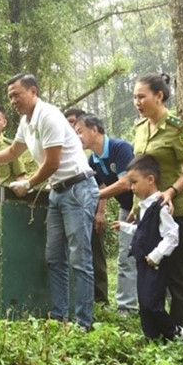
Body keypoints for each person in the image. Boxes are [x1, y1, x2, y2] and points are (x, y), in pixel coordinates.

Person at [0, 74, 100, 330]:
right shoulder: (27, 121)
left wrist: (28, 183)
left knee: (80, 258)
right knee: (53, 257)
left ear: (33, 91)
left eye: (17, 94)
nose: (13, 100)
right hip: (58, 192)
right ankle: (59, 316)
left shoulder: (48, 116)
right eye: (10, 96)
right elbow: (14, 151)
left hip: (78, 189)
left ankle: (84, 322)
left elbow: (52, 162)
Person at [132, 73, 183, 333]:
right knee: (150, 267)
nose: (137, 102)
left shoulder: (178, 129)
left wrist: (170, 192)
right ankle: (157, 324)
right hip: (146, 213)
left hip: (174, 211)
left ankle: (179, 326)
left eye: (141, 96)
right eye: (134, 97)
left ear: (159, 96)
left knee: (177, 273)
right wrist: (136, 207)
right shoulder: (139, 128)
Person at [113, 154, 183, 341]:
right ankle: (151, 336)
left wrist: (157, 255)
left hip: (154, 263)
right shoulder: (144, 206)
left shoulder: (160, 205)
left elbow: (172, 234)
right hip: (142, 261)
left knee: (150, 303)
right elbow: (143, 231)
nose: (132, 188)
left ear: (150, 179)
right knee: (144, 302)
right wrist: (124, 226)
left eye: (134, 182)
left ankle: (175, 331)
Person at [74, 113, 138, 315]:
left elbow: (125, 182)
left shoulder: (120, 148)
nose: (78, 137)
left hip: (147, 206)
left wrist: (93, 196)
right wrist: (99, 211)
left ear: (94, 130)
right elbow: (100, 184)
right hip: (126, 210)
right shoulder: (93, 159)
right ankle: (127, 307)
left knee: (158, 255)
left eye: (80, 132)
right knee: (126, 256)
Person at [64, 107, 107, 304]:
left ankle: (100, 297)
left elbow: (101, 185)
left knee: (94, 253)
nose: (72, 128)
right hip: (72, 204)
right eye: (69, 123)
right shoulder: (76, 151)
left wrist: (100, 211)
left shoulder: (98, 148)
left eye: (75, 123)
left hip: (91, 205)